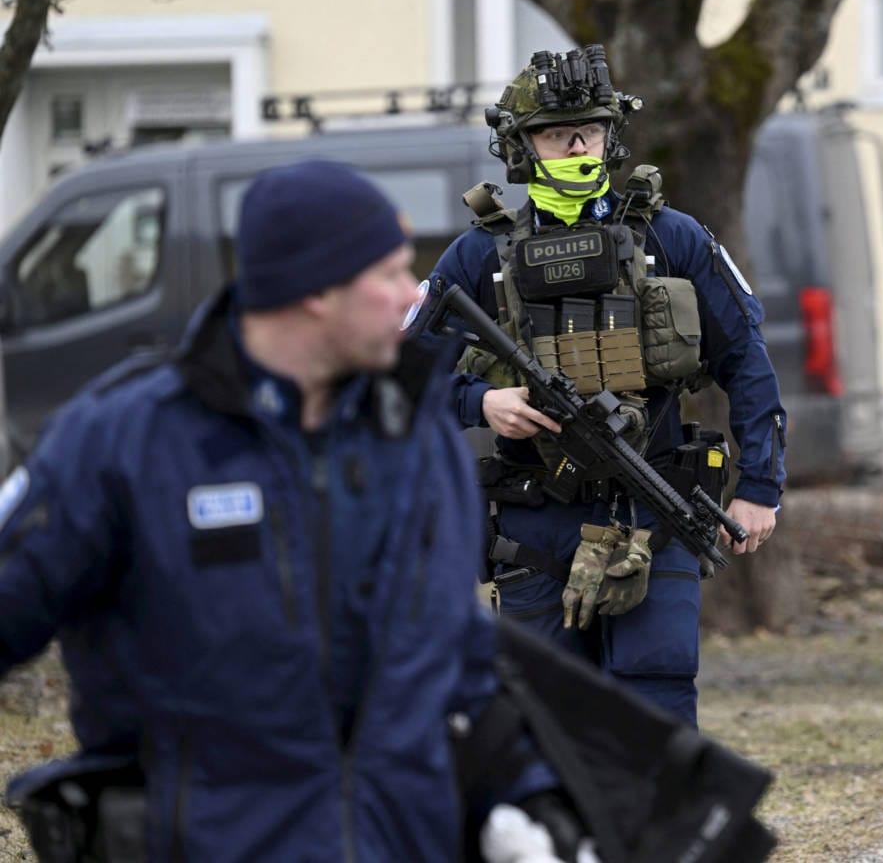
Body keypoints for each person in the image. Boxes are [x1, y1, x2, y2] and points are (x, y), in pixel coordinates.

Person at [0, 161, 571, 863]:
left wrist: (531, 798)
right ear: (315, 291)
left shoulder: (418, 443)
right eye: (389, 275)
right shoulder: (126, 441)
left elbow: (461, 663)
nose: (410, 297)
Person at [413, 46, 786, 725]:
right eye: (557, 135)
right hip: (534, 521)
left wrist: (761, 487)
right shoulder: (477, 256)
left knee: (658, 693)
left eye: (589, 131)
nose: (577, 147)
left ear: (612, 137)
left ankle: (666, 831)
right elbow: (395, 377)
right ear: (522, 149)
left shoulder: (672, 239)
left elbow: (748, 361)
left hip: (657, 506)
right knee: (544, 714)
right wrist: (481, 402)